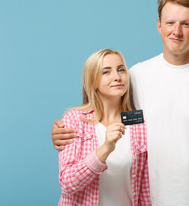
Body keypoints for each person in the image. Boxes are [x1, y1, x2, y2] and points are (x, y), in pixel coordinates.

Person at [53, 0, 189, 206]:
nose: (177, 31)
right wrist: (66, 130)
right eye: (170, 22)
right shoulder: (136, 76)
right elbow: (114, 115)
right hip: (151, 200)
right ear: (158, 25)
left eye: (186, 24)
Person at [57, 49, 151, 206]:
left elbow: (145, 188)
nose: (117, 77)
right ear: (92, 81)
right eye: (106, 72)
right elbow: (68, 183)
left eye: (121, 70)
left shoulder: (139, 123)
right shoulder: (75, 120)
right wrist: (105, 148)